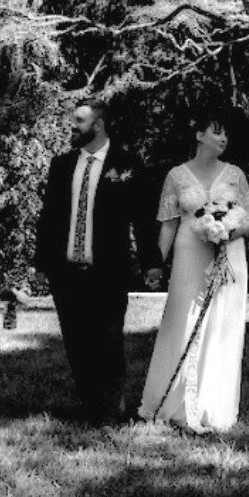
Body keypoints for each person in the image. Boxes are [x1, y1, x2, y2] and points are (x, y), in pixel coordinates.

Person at [35, 100, 163, 425]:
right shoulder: (62, 165)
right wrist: (41, 265)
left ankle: (111, 409)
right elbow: (48, 218)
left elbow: (144, 219)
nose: (72, 126)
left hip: (108, 271)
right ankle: (91, 405)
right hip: (65, 272)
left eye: (79, 120)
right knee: (77, 341)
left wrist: (152, 263)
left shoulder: (128, 164)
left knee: (107, 339)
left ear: (99, 124)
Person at [137, 109, 249, 432]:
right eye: (216, 131)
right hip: (189, 255)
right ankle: (173, 403)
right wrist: (155, 266)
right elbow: (169, 225)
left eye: (226, 134)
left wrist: (228, 232)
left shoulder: (235, 175)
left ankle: (212, 406)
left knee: (221, 326)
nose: (223, 139)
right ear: (199, 135)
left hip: (229, 258)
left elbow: (248, 219)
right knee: (182, 321)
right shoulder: (176, 176)